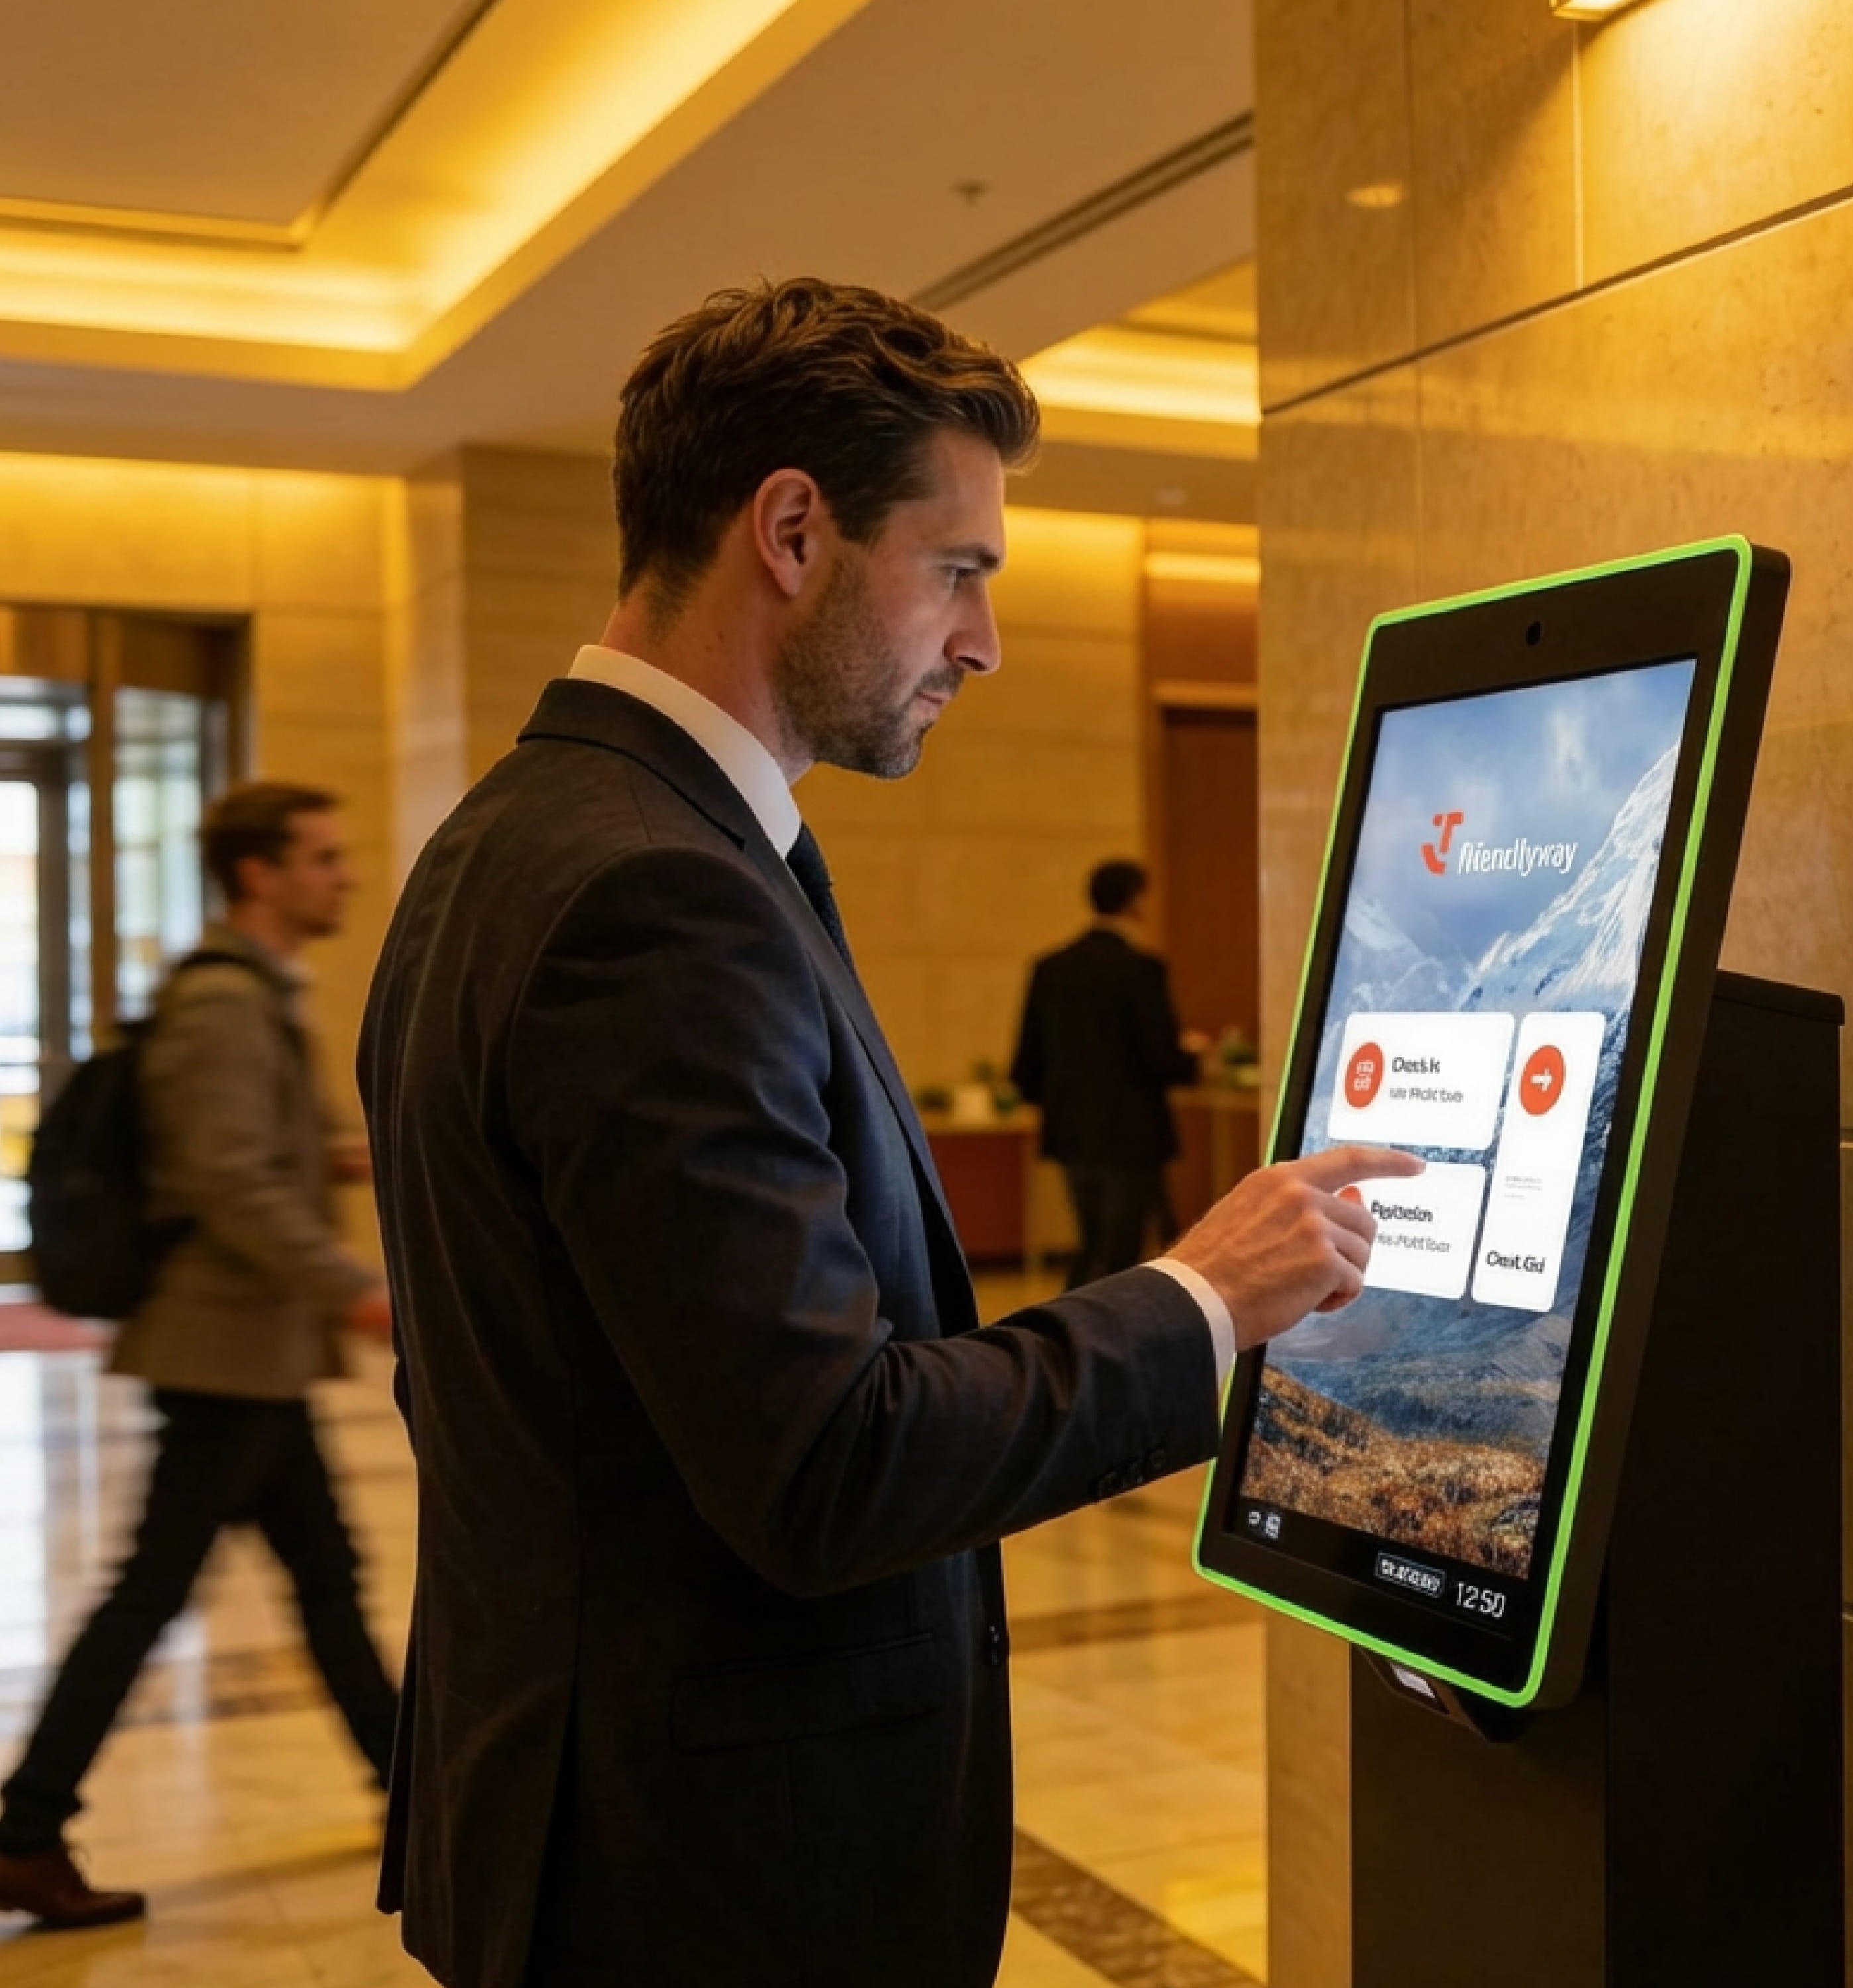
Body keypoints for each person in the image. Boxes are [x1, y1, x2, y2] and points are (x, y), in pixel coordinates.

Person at [358, 277, 1418, 1988]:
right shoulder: (656, 894)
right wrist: (1204, 1302)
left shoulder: (523, 836)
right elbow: (827, 1466)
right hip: (706, 1885)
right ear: (791, 530)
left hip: (594, 1818)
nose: (985, 643)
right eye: (963, 570)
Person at [0, 783, 400, 1930]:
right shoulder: (225, 1004)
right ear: (260, 874)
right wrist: (355, 1292)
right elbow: (222, 1178)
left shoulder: (257, 995)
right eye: (322, 859)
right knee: (153, 1594)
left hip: (254, 1355)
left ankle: (412, 1790)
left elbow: (260, 1151)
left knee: (325, 1582)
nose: (345, 877)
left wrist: (354, 1160)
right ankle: (24, 1831)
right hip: (225, 1352)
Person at [1011, 859, 1206, 1287]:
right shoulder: (1141, 970)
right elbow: (1162, 1059)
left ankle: (1068, 1338)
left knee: (1092, 1241)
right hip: (1130, 1134)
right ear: (1135, 900)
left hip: (1070, 1131)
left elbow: (1026, 1064)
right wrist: (1194, 1056)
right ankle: (1094, 1342)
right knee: (1120, 1249)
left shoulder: (1050, 969)